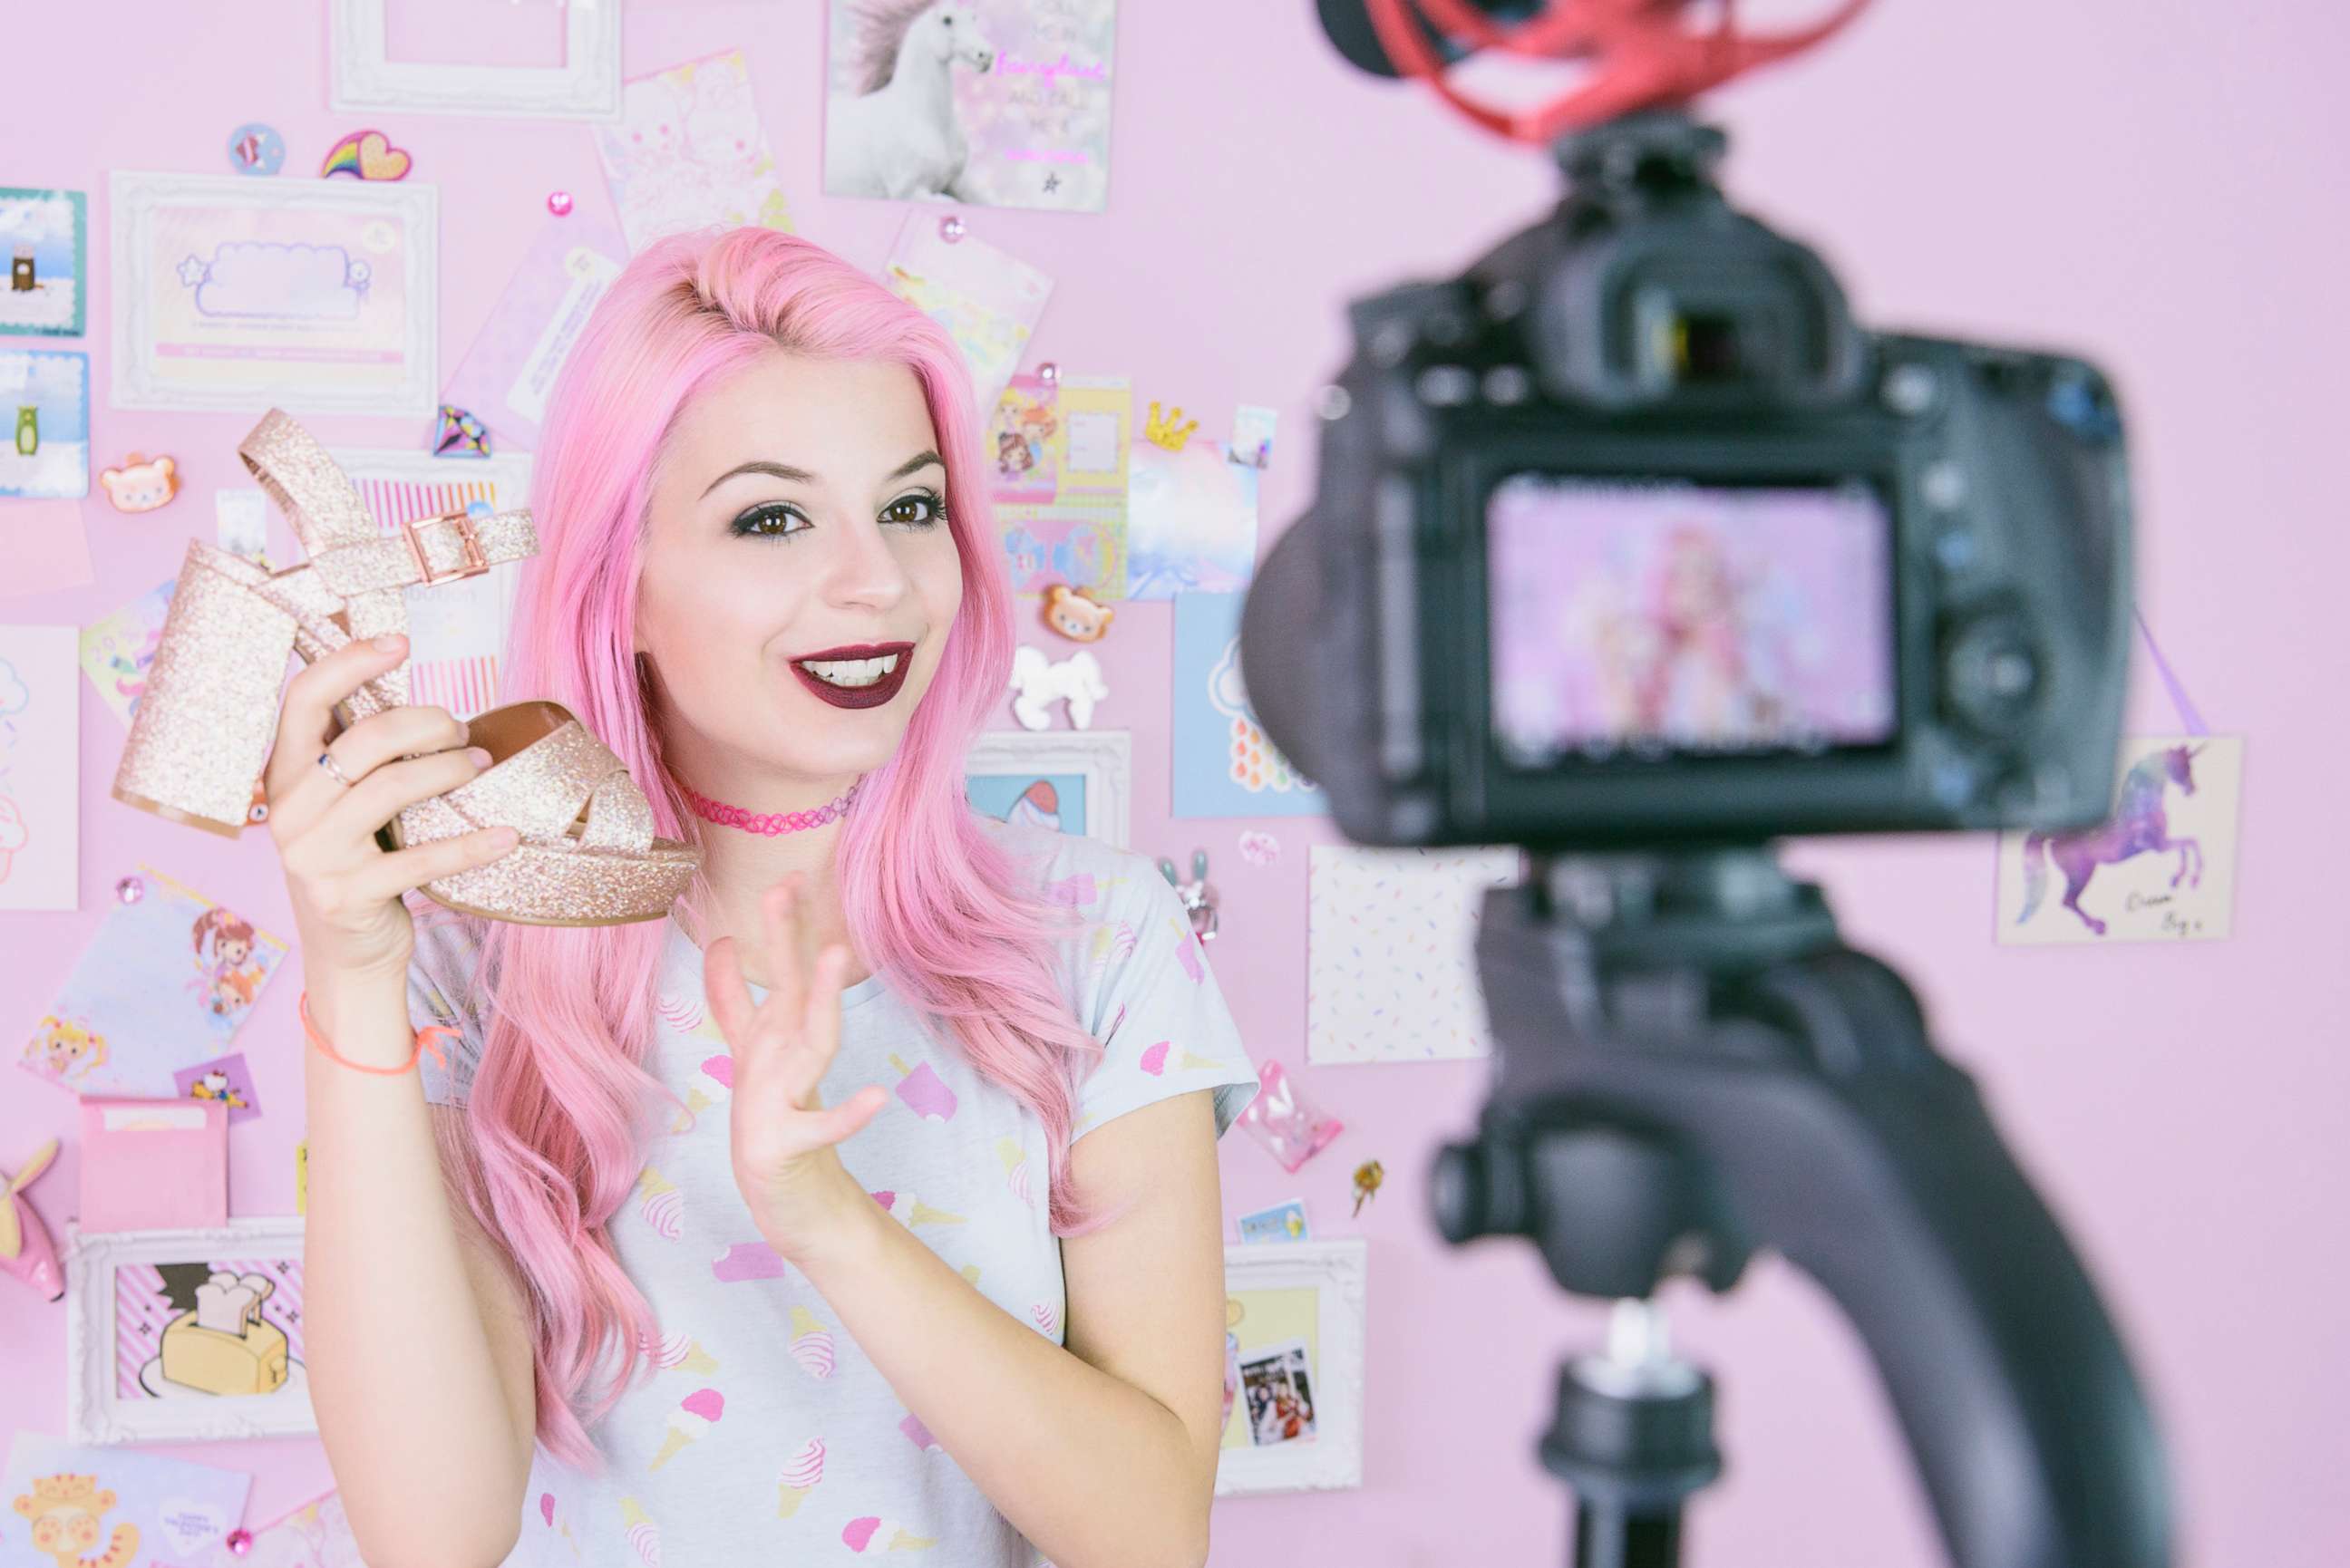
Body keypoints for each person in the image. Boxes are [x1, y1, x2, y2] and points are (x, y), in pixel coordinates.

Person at [278, 226, 1261, 1568]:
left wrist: (823, 1216)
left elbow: (1151, 1537)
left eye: (911, 507)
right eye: (771, 516)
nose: (878, 581)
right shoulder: (473, 953)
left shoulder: (1100, 937)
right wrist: (349, 973)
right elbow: (432, 1531)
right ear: (619, 581)